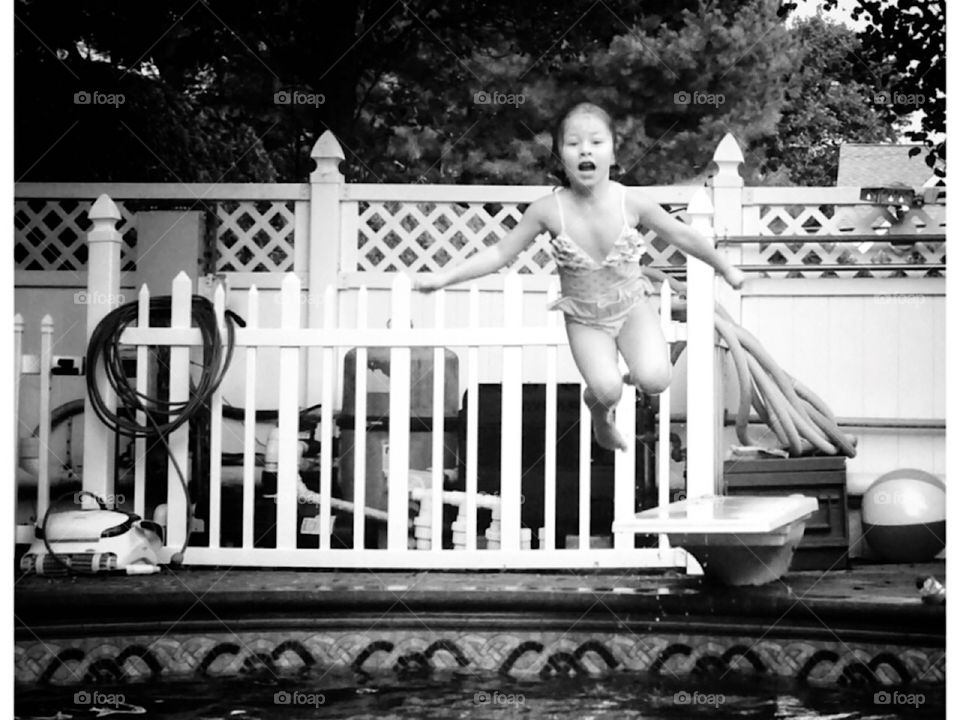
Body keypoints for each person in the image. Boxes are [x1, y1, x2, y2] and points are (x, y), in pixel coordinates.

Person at [413, 101, 744, 451]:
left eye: (596, 142)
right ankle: (600, 416)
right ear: (560, 154)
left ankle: (621, 380)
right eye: (573, 143)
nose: (585, 149)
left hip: (632, 309)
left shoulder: (630, 202)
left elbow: (683, 235)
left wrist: (725, 267)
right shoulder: (548, 210)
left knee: (656, 379)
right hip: (586, 319)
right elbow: (499, 254)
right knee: (607, 389)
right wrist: (443, 279)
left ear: (613, 153)